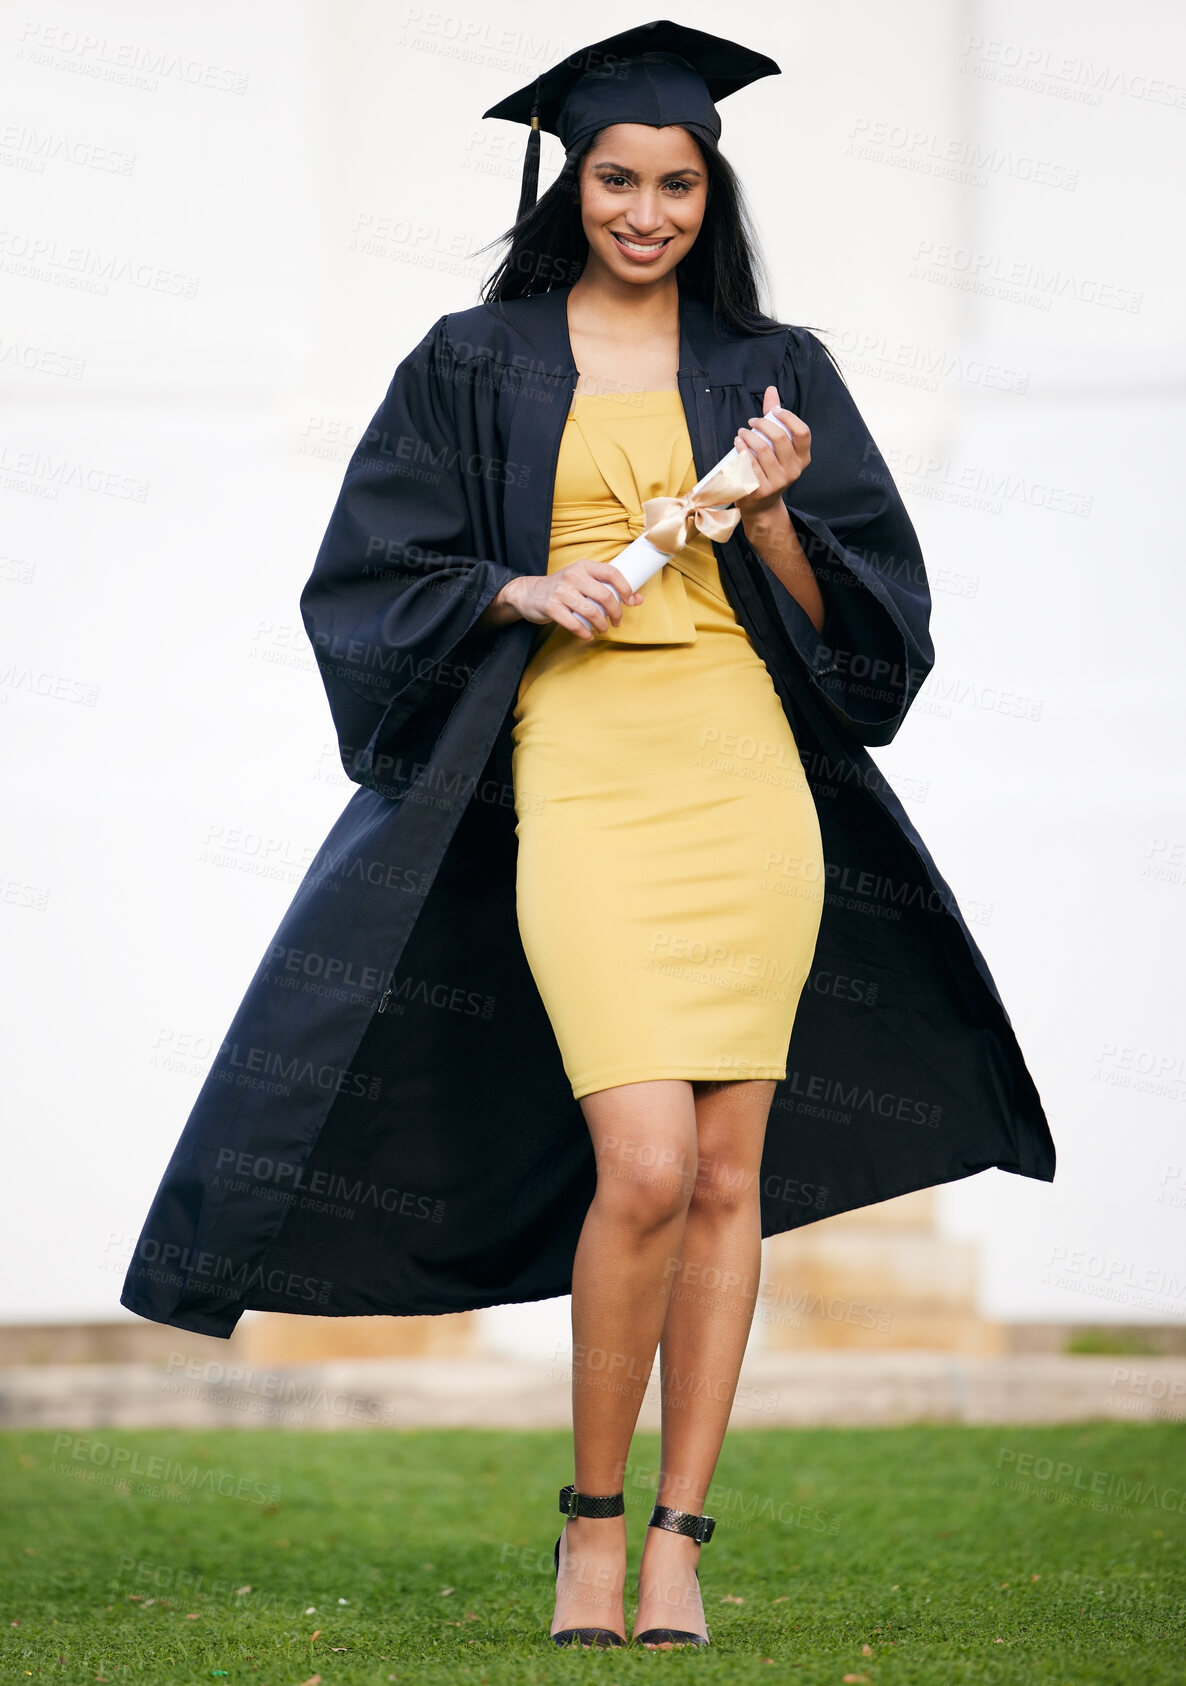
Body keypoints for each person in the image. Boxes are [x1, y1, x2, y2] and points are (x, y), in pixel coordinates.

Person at [120, 16, 1056, 1657]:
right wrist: (506, 586)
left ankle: (682, 1545)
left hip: (740, 771)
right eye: (616, 178)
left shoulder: (775, 367)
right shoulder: (472, 358)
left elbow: (876, 631)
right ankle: (588, 1521)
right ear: (572, 180)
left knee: (724, 1174)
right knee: (637, 1162)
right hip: (579, 761)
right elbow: (365, 571)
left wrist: (766, 508)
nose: (645, 210)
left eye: (674, 183)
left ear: (711, 189)